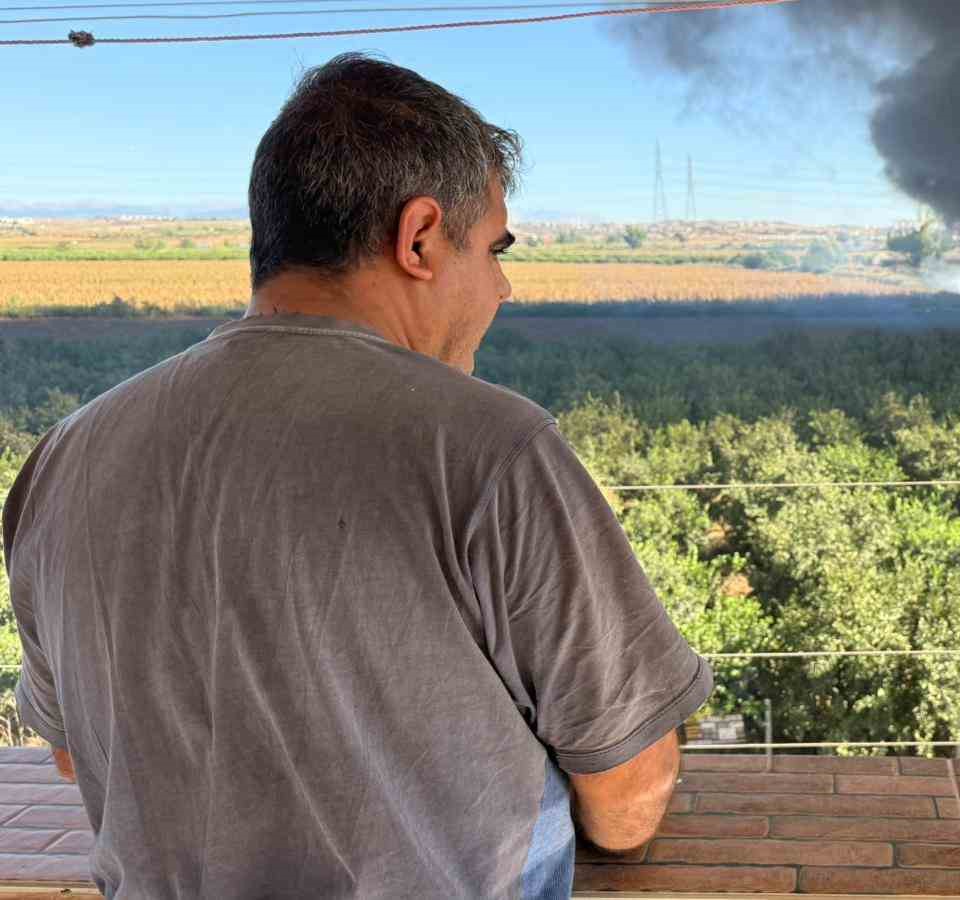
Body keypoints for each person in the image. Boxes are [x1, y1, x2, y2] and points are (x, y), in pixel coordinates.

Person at [0, 52, 712, 899]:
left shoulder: (65, 456)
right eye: (491, 248)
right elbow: (628, 798)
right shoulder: (492, 450)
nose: (503, 286)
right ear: (417, 239)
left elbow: (78, 753)